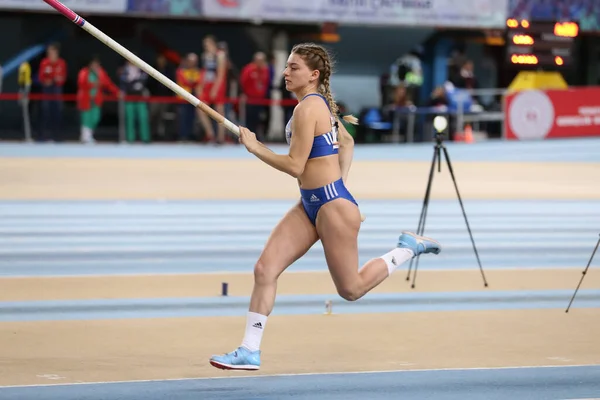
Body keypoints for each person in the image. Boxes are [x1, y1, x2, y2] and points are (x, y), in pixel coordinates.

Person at [209, 43, 441, 371]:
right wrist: (340, 186)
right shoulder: (317, 106)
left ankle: (407, 248)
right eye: (287, 66)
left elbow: (294, 166)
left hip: (332, 208)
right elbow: (347, 142)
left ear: (313, 75)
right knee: (265, 269)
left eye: (293, 67)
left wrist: (254, 146)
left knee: (351, 289)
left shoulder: (309, 108)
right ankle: (249, 349)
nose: (286, 73)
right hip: (313, 203)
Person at [77, 55, 120, 143]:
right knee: (86, 118)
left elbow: (108, 84)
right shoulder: (84, 72)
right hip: (86, 99)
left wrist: (117, 92)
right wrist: (93, 84)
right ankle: (85, 136)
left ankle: (89, 135)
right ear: (90, 65)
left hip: (96, 100)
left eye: (96, 64)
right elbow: (81, 84)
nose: (95, 66)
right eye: (93, 64)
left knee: (96, 118)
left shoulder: (100, 73)